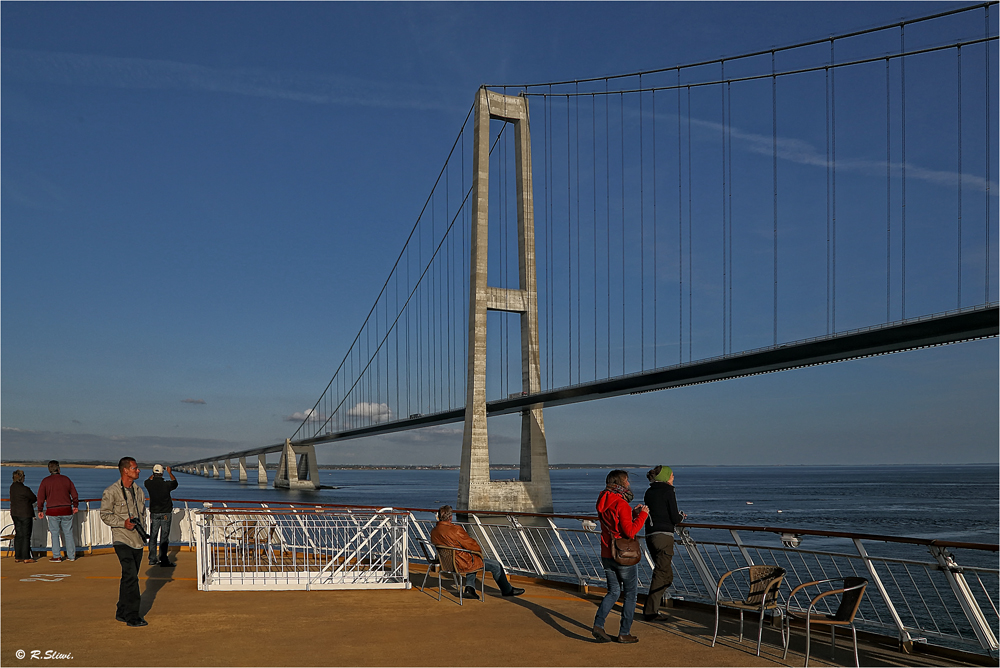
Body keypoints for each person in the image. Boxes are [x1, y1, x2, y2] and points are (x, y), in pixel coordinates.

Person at [593, 469, 649, 644]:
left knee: (614, 591)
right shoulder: (621, 504)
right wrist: (643, 515)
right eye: (627, 481)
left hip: (607, 552)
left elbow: (614, 522)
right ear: (620, 483)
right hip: (623, 555)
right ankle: (624, 632)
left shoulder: (603, 500)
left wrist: (632, 514)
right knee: (631, 594)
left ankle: (598, 624)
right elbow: (630, 531)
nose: (629, 484)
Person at [429, 505, 524, 599]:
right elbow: (472, 545)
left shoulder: (434, 531)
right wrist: (478, 552)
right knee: (496, 565)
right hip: (460, 563)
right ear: (450, 517)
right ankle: (507, 590)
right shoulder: (456, 530)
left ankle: (470, 589)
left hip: (446, 563)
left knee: (472, 559)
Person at [100, 457, 149, 627]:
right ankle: (132, 615)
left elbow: (142, 516)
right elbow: (105, 515)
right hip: (121, 539)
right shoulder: (111, 492)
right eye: (135, 468)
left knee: (128, 577)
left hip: (137, 540)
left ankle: (121, 611)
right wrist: (123, 523)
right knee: (131, 577)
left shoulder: (139, 491)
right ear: (125, 470)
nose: (138, 471)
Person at [642, 465, 686, 622]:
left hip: (650, 535)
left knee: (666, 575)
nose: (673, 477)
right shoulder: (669, 491)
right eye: (672, 475)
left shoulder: (649, 491)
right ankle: (650, 611)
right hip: (664, 537)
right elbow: (674, 517)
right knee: (662, 574)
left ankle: (651, 608)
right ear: (666, 476)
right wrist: (681, 517)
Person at [36, 460, 79, 562]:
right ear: (58, 468)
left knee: (54, 533)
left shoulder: (45, 481)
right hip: (66, 509)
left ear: (49, 469)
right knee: (68, 533)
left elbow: (40, 497)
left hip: (52, 511)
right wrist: (75, 505)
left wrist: (40, 509)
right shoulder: (66, 479)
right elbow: (74, 494)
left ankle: (56, 556)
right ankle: (71, 555)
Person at [144, 464, 178, 567]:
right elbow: (175, 483)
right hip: (166, 513)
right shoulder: (166, 484)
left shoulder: (149, 484)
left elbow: (148, 480)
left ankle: (152, 559)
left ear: (153, 473)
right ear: (162, 472)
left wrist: (153, 474)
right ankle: (163, 559)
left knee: (153, 536)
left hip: (154, 513)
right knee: (164, 537)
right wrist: (170, 472)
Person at [10, 469, 37, 563]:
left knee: (19, 534)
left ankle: (18, 555)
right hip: (25, 514)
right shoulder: (25, 489)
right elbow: (34, 498)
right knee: (26, 535)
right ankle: (26, 557)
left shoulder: (12, 488)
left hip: (15, 513)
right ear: (21, 478)